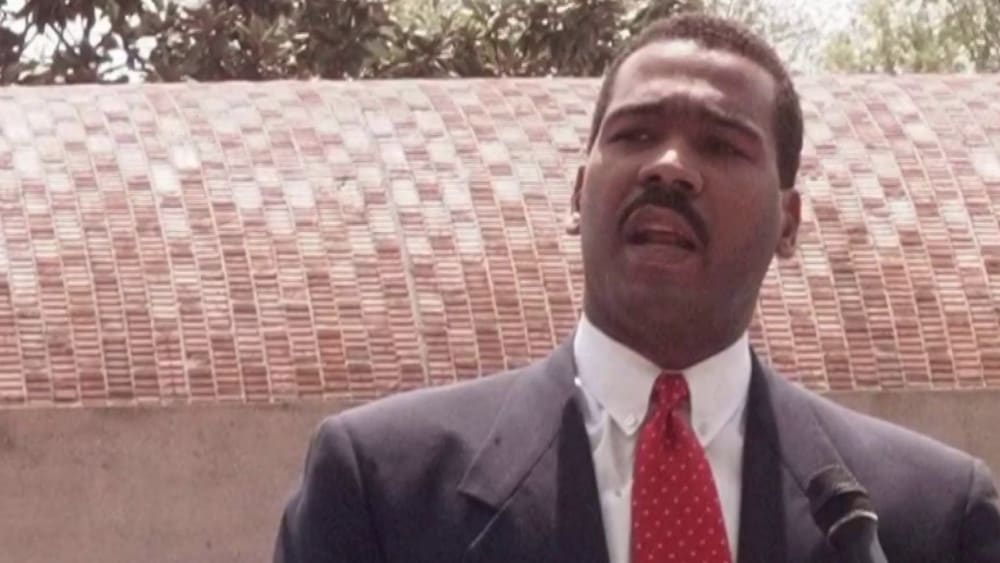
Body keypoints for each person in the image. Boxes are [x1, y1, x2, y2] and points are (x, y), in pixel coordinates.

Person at [273, 13, 1000, 563]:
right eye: (634, 135)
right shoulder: (382, 487)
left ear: (788, 222)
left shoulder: (927, 515)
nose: (670, 165)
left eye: (721, 144)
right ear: (578, 192)